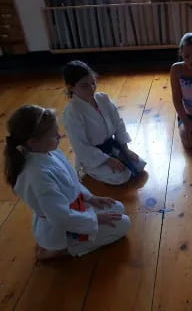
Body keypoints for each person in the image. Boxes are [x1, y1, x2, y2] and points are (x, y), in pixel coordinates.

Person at [4, 105, 130, 260]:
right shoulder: (38, 175)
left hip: (73, 208)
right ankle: (63, 249)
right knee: (123, 224)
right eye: (53, 134)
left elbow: (71, 181)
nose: (59, 136)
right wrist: (95, 219)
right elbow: (61, 217)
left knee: (117, 208)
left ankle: (62, 241)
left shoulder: (48, 152)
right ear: (33, 142)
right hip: (62, 228)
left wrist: (90, 198)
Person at [62, 60, 146, 185]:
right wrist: (108, 160)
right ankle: (87, 169)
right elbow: (81, 146)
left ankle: (117, 156)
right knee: (122, 176)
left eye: (93, 83)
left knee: (139, 165)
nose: (91, 88)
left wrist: (125, 149)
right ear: (71, 87)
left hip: (112, 146)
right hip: (92, 157)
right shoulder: (72, 112)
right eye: (84, 86)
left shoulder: (103, 98)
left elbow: (118, 123)